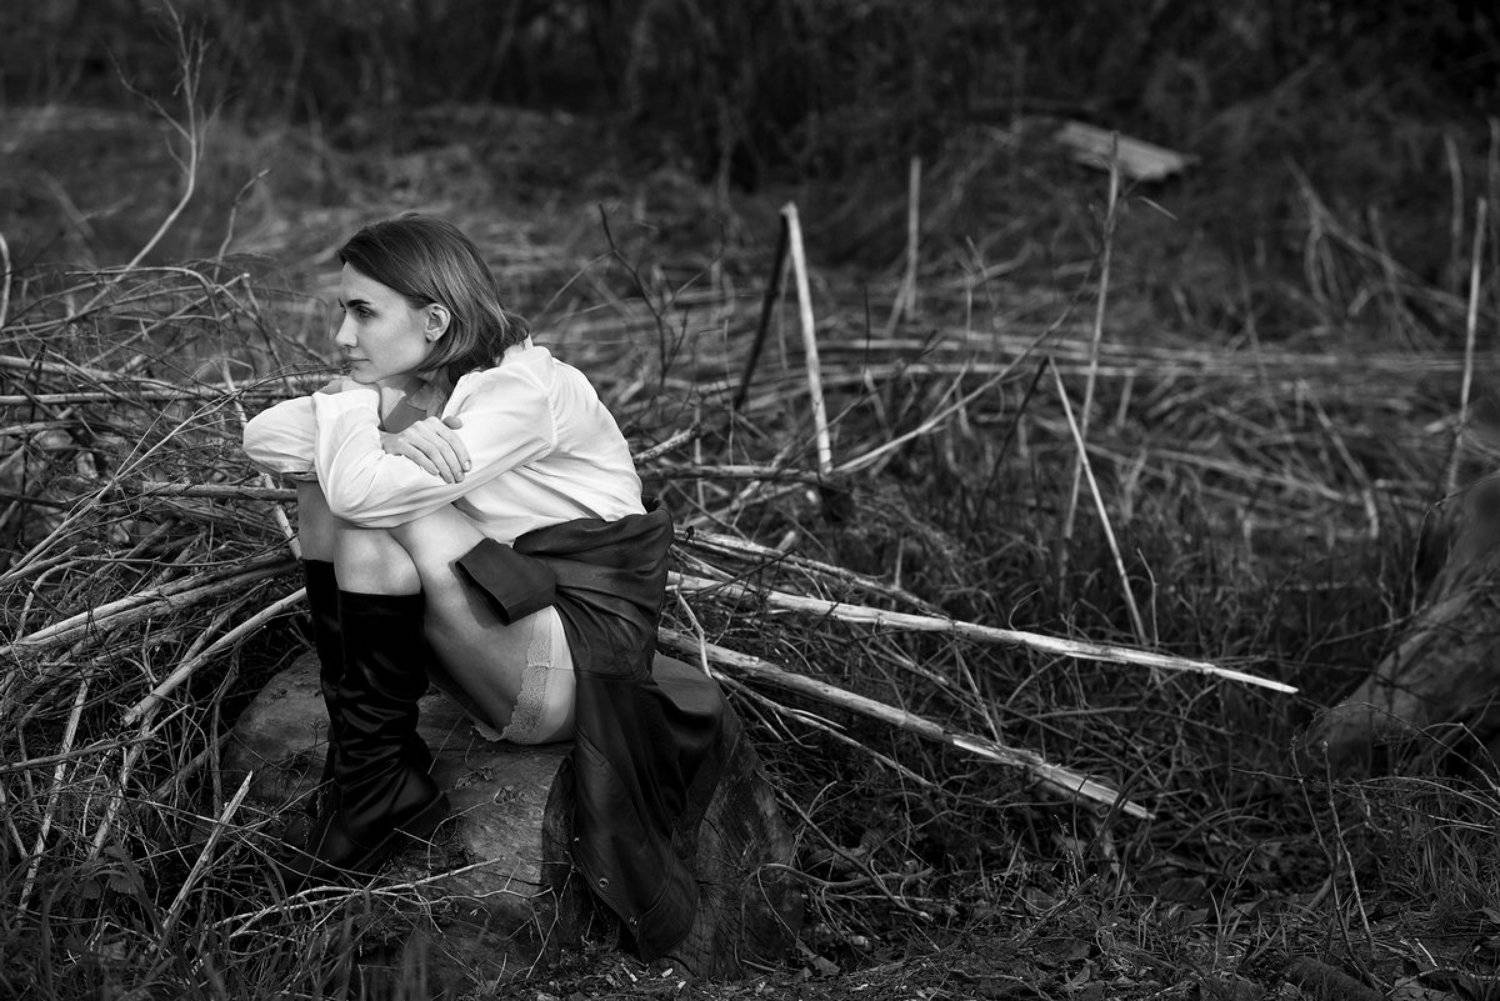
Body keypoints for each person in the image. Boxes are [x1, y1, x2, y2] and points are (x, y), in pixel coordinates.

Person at [242, 215, 728, 958]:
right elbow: (262, 438)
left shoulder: (521, 391)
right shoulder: (425, 388)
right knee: (332, 488)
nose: (342, 335)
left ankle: (377, 788)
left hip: (572, 672)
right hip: (504, 635)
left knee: (361, 499)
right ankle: (372, 777)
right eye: (344, 310)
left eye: (363, 311)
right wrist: (381, 426)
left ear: (435, 320)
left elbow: (365, 494)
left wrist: (354, 413)